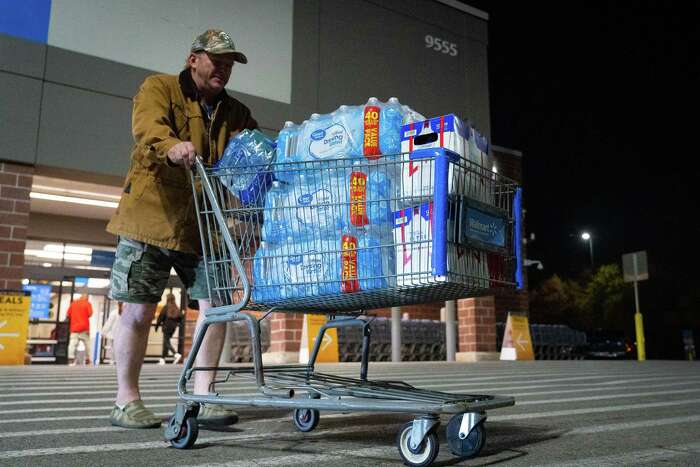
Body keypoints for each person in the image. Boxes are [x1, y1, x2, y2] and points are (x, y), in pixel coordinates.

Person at [105, 29, 257, 429]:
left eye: (229, 63)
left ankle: (203, 395)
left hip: (202, 227)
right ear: (194, 59)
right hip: (151, 219)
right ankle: (126, 399)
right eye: (217, 60)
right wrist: (170, 144)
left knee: (216, 310)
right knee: (138, 311)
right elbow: (148, 128)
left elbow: (252, 153)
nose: (224, 68)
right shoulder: (160, 88)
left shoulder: (236, 113)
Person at [155, 294, 183, 365]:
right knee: (166, 343)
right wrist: (177, 323)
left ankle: (176, 354)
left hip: (166, 327)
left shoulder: (166, 307)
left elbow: (160, 317)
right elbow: (180, 317)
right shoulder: (176, 307)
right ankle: (162, 359)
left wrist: (157, 326)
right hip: (172, 328)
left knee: (167, 342)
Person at [66, 294, 93, 365]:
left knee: (72, 344)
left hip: (74, 328)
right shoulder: (87, 303)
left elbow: (68, 314)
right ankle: (87, 359)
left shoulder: (73, 303)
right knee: (87, 344)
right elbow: (90, 314)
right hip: (84, 328)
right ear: (87, 298)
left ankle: (71, 359)